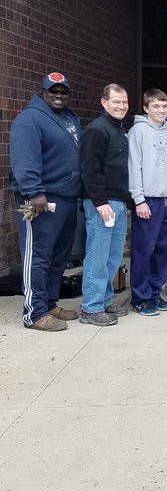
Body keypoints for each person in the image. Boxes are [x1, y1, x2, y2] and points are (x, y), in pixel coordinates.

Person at [10, 71, 82, 331]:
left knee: (58, 256)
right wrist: (33, 191)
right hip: (42, 200)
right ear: (43, 91)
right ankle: (35, 312)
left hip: (67, 197)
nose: (59, 95)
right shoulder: (30, 120)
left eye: (63, 91)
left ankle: (50, 304)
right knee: (38, 255)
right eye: (53, 91)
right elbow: (25, 159)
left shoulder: (67, 117)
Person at [127, 89, 167, 316]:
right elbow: (134, 167)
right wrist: (139, 199)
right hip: (148, 199)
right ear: (146, 108)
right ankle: (140, 297)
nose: (161, 111)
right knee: (144, 250)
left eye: (164, 106)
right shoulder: (138, 131)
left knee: (163, 249)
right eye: (156, 106)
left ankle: (154, 293)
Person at [78, 84, 131, 327]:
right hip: (103, 203)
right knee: (98, 257)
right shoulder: (97, 130)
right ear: (104, 102)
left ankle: (105, 300)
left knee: (112, 257)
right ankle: (91, 308)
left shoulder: (118, 130)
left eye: (124, 102)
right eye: (116, 102)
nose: (121, 106)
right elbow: (90, 168)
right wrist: (100, 202)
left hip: (118, 202)